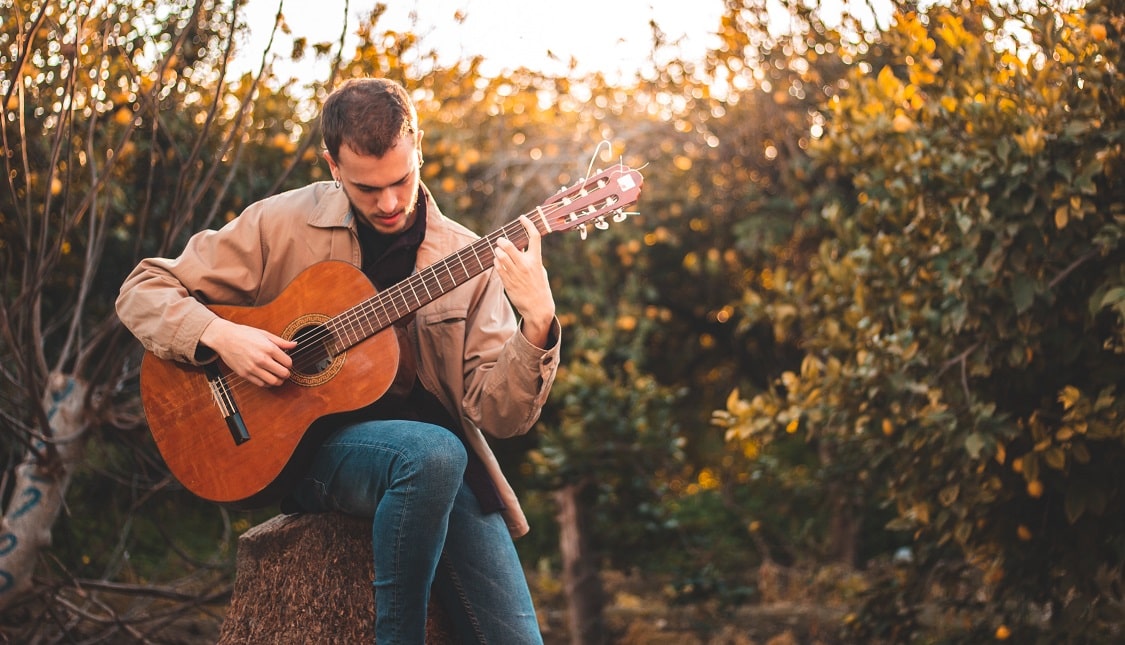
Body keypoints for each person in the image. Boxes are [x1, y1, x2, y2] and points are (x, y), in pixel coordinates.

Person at [116, 77, 559, 643]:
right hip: (312, 451)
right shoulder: (281, 223)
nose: (390, 202)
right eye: (367, 189)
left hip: (444, 469)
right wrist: (221, 337)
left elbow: (501, 416)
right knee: (432, 453)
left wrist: (538, 324)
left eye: (401, 180)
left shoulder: (465, 260)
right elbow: (143, 288)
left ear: (417, 147)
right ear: (332, 164)